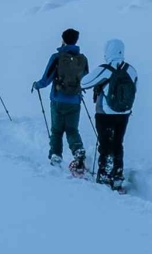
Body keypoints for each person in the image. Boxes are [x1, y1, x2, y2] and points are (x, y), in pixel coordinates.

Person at [82, 38, 138, 188]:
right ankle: (118, 174)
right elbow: (135, 88)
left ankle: (105, 174)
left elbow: (85, 82)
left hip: (105, 113)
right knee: (118, 143)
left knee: (105, 144)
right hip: (124, 113)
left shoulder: (105, 69)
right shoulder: (131, 70)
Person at [32, 27, 89, 171]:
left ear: (63, 40)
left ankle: (55, 155)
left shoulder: (57, 57)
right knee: (72, 130)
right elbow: (86, 79)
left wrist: (37, 85)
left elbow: (46, 78)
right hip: (75, 101)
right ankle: (78, 150)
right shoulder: (82, 59)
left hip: (58, 100)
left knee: (57, 130)